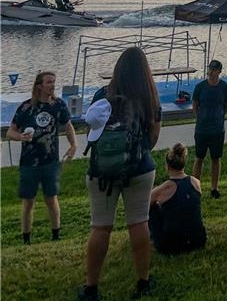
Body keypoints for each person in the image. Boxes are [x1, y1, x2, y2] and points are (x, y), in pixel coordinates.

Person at [78, 47, 161, 301]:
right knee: (138, 223)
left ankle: (91, 287)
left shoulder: (102, 94)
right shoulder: (149, 96)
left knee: (100, 227)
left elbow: (90, 131)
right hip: (139, 168)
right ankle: (143, 281)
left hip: (101, 172)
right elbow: (153, 137)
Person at [7, 71, 77, 244]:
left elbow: (68, 126)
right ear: (39, 86)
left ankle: (55, 236)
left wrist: (73, 145)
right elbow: (10, 131)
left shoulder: (58, 105)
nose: (53, 85)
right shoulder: (26, 107)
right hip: (29, 162)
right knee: (28, 202)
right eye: (49, 82)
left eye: (54, 82)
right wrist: (20, 137)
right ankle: (26, 239)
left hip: (50, 161)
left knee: (51, 199)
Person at [149, 143, 207, 255]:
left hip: (171, 246)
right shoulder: (196, 182)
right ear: (184, 163)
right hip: (198, 240)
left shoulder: (165, 188)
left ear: (167, 166)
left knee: (153, 208)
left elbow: (145, 204)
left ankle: (152, 237)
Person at [191, 59, 227, 199]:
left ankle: (214, 187)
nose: (211, 72)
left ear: (219, 71)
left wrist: (220, 117)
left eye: (214, 70)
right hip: (201, 130)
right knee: (199, 158)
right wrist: (200, 118)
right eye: (210, 69)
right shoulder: (200, 87)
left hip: (218, 130)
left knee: (216, 158)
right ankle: (195, 186)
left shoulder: (225, 87)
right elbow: (195, 105)